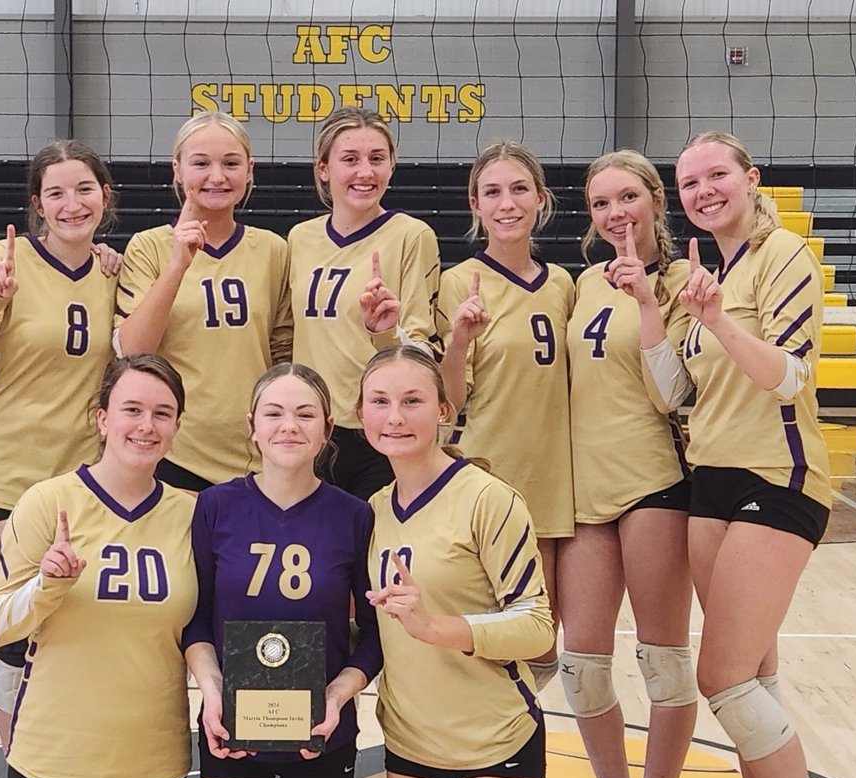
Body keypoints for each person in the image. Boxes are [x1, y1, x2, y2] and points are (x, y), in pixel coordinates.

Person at [359, 345, 656, 778]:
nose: (395, 416)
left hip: (493, 742)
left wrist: (437, 627)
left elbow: (537, 627)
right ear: (360, 414)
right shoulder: (374, 512)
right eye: (380, 401)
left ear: (444, 410)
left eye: (412, 400)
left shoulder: (488, 499)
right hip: (412, 746)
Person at [639, 131, 856, 778]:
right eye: (689, 182)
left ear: (751, 177)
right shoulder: (709, 275)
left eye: (716, 175)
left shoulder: (782, 254)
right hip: (713, 479)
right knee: (753, 677)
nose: (702, 191)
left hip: (779, 475)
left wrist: (721, 320)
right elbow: (674, 393)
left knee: (722, 675)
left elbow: (789, 375)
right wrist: (654, 309)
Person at [0, 354, 197, 778]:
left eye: (162, 413)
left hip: (150, 751)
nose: (146, 425)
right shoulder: (47, 502)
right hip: (58, 748)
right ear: (101, 418)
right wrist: (46, 587)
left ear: (178, 426)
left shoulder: (193, 515)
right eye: (131, 409)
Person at [184, 363, 381, 778]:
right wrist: (211, 691)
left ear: (327, 431)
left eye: (304, 414)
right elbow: (196, 620)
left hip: (320, 735)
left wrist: (338, 695)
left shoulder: (355, 515)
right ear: (252, 425)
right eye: (274, 413)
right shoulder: (214, 507)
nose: (288, 426)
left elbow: (374, 635)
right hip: (232, 733)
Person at [0, 140, 120, 752]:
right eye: (56, 193)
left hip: (83, 484)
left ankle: (79, 771)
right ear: (37, 205)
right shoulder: (3, 259)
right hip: (2, 479)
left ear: (104, 197)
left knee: (80, 633)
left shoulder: (114, 273)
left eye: (84, 190)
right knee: (16, 635)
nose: (72, 204)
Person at [556, 151, 698, 778]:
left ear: (655, 202)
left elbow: (674, 394)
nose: (616, 213)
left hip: (653, 485)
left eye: (628, 197)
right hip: (586, 492)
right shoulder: (583, 284)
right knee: (580, 664)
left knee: (663, 662)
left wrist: (646, 301)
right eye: (601, 203)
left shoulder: (681, 283)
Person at [438, 141, 574, 694]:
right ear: (475, 204)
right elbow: (449, 400)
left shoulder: (563, 284)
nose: (507, 203)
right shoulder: (458, 282)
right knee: (485, 640)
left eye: (519, 189)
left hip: (556, 485)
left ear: (540, 198)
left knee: (541, 645)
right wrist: (457, 341)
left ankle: (517, 736)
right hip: (489, 478)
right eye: (492, 192)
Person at [114, 111, 291, 493]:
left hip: (255, 452)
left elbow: (283, 356)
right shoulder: (148, 247)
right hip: (174, 451)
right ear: (177, 170)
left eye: (231, 163)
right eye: (200, 163)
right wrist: (177, 265)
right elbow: (132, 351)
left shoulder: (273, 250)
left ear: (249, 170)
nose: (217, 176)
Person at [288, 106, 441, 501]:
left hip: (379, 430)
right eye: (350, 159)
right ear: (323, 169)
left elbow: (423, 348)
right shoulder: (300, 239)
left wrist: (385, 332)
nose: (365, 172)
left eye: (377, 159)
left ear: (391, 166)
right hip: (312, 429)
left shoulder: (412, 236)